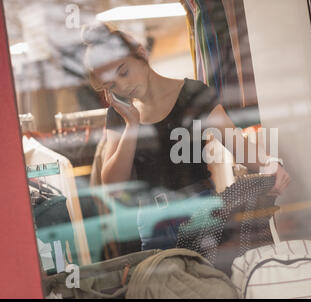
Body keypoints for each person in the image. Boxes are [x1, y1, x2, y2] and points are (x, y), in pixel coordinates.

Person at [81, 22, 291, 251]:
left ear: (141, 54)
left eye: (124, 71)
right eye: (111, 85)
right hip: (152, 221)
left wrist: (270, 164)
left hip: (200, 212)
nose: (122, 85)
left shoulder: (193, 93)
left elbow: (238, 146)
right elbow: (112, 186)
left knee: (213, 282)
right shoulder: (119, 115)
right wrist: (132, 126)